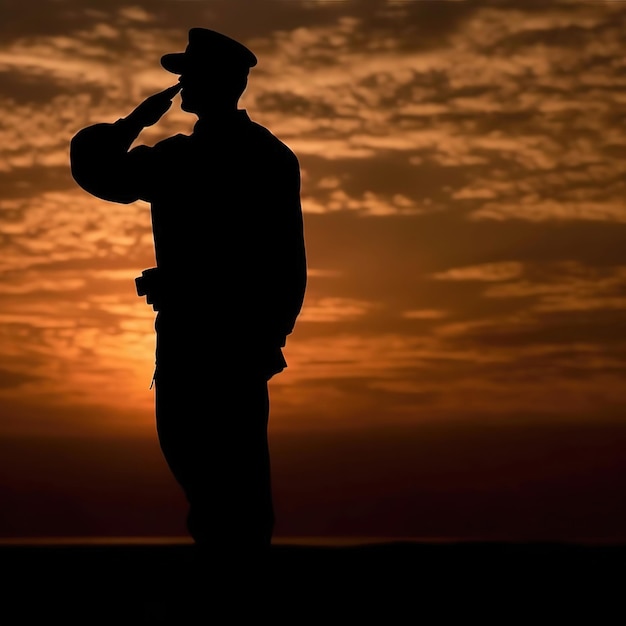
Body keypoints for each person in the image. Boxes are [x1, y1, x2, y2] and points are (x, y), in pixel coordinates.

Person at [70, 28, 307, 556]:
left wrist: (133, 122)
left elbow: (97, 167)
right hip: (223, 344)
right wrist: (268, 337)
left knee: (223, 489)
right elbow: (289, 266)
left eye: (188, 76)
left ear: (217, 82)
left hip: (210, 346)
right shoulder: (262, 155)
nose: (179, 85)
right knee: (223, 487)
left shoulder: (185, 160)